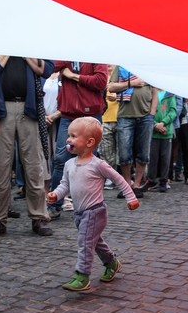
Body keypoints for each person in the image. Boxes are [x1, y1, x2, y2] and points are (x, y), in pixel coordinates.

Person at [46, 117, 139, 291]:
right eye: (68, 135)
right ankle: (112, 263)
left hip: (95, 212)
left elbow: (119, 180)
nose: (68, 139)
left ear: (89, 142)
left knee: (85, 242)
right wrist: (55, 195)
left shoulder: (98, 164)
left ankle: (82, 275)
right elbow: (64, 185)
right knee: (94, 242)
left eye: (73, 136)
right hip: (79, 213)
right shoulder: (68, 164)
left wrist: (131, 198)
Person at [0, 54, 54, 238]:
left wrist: (26, 52)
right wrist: (7, 51)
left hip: (30, 109)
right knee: (0, 167)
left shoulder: (34, 43)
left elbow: (47, 69)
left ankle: (39, 217)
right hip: (2, 109)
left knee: (34, 166)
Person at [48, 61, 108, 218]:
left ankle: (90, 205)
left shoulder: (95, 52)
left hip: (91, 114)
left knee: (89, 162)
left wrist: (73, 76)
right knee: (61, 159)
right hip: (68, 115)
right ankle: (54, 204)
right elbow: (48, 68)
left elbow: (101, 82)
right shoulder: (66, 52)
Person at [107, 66, 157, 197]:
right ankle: (127, 185)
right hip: (125, 116)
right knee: (124, 154)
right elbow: (111, 87)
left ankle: (137, 185)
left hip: (146, 117)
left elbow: (154, 92)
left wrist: (152, 114)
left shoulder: (148, 69)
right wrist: (131, 83)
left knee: (143, 153)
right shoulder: (121, 67)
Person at [141, 89, 176, 193]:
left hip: (166, 131)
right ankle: (151, 180)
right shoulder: (150, 91)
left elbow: (173, 111)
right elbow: (146, 110)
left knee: (165, 158)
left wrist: (163, 122)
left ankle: (163, 181)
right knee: (152, 157)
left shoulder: (170, 93)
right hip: (153, 132)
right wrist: (155, 124)